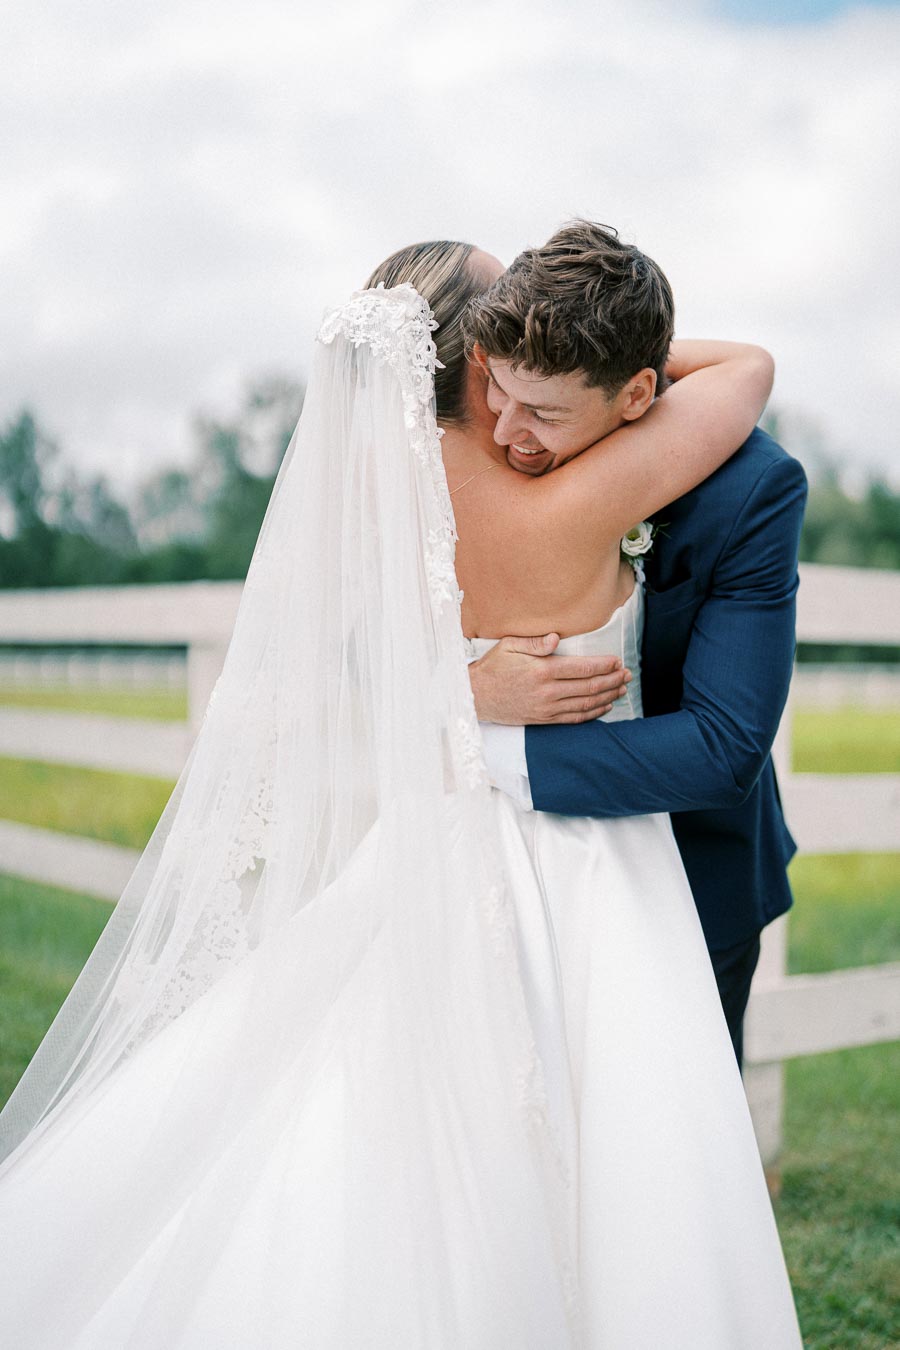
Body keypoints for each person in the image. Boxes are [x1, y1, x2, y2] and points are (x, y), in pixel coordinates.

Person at [0, 244, 802, 1347]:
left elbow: (328, 653)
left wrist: (452, 712)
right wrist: (456, 697)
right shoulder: (594, 486)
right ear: (479, 355)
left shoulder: (387, 487)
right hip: (585, 860)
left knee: (366, 1100)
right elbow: (749, 368)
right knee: (628, 1134)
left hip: (490, 835)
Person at [464, 222, 808, 1068]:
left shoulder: (753, 489)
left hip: (694, 871)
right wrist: (462, 691)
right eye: (499, 395)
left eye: (542, 412)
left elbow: (724, 745)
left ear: (635, 393)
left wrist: (491, 752)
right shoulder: (478, 445)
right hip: (495, 869)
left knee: (675, 1145)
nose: (507, 435)